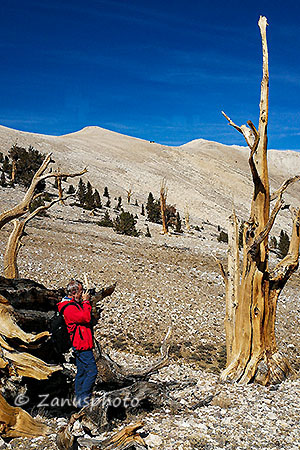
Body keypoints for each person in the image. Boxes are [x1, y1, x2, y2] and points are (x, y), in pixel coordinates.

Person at [57, 279, 98, 408]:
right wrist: (86, 302)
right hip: (81, 344)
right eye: (81, 292)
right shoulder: (69, 308)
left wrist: (85, 302)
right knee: (92, 371)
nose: (82, 294)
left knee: (82, 371)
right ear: (74, 292)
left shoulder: (72, 305)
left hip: (82, 342)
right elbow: (85, 317)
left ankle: (78, 399)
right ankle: (83, 400)